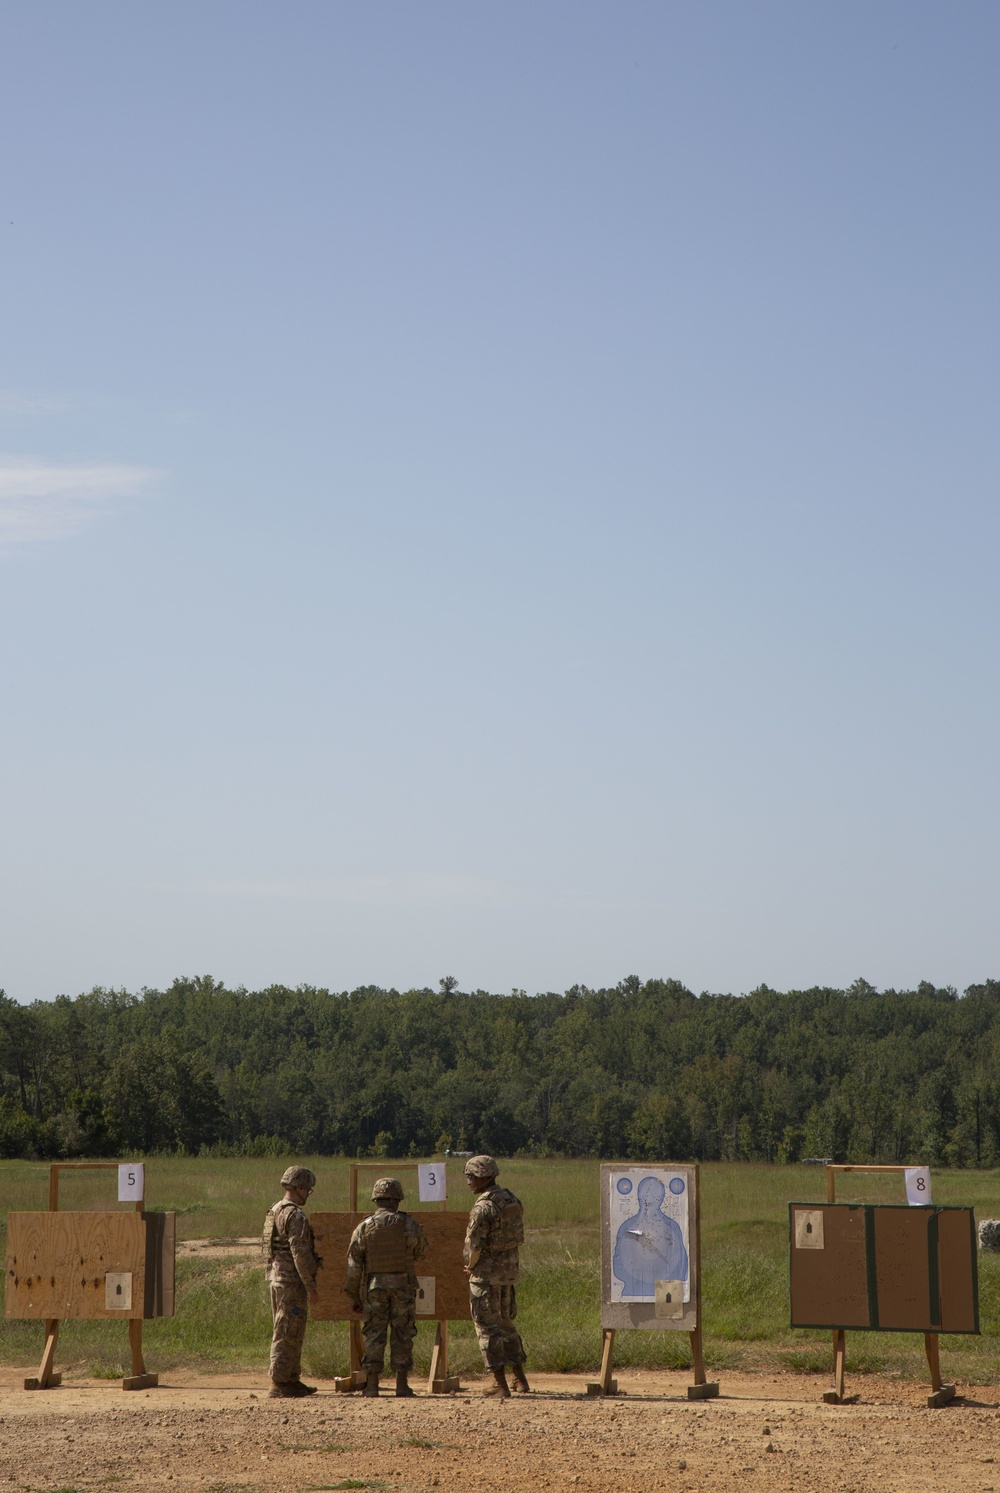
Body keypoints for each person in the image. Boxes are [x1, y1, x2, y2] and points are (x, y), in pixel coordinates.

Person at [345, 1177, 429, 1397]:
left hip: (375, 1288)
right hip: (403, 1288)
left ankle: (372, 1385)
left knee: (374, 1334)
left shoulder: (363, 1227)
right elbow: (421, 1253)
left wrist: (354, 1295)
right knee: (403, 1333)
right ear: (397, 1199)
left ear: (376, 1199)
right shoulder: (409, 1224)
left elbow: (354, 1266)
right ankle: (401, 1385)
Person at [463, 1154, 530, 1397]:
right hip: (508, 1274)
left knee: (487, 1328)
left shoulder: (483, 1207)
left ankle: (498, 1383)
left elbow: (474, 1245)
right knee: (506, 1324)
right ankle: (519, 1377)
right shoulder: (511, 1199)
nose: (468, 1181)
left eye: (471, 1176)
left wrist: (470, 1266)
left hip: (486, 1276)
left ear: (482, 1177)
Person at [262, 1165, 321, 1398]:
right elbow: (300, 1253)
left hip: (276, 1277)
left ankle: (291, 1379)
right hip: (290, 1282)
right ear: (298, 1188)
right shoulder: (295, 1215)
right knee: (287, 1331)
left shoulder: (274, 1210)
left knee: (288, 1329)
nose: (308, 1194)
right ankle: (279, 1382)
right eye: (307, 1189)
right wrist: (311, 1285)